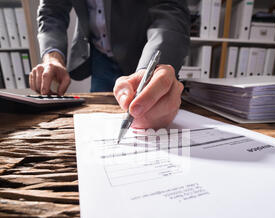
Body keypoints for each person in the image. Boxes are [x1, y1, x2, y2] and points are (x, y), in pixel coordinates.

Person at [31, 0, 190, 129]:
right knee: (104, 124)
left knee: (151, 113)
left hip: (143, 52)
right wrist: (53, 56)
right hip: (100, 58)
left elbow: (170, 9)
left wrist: (150, 68)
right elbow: (52, 11)